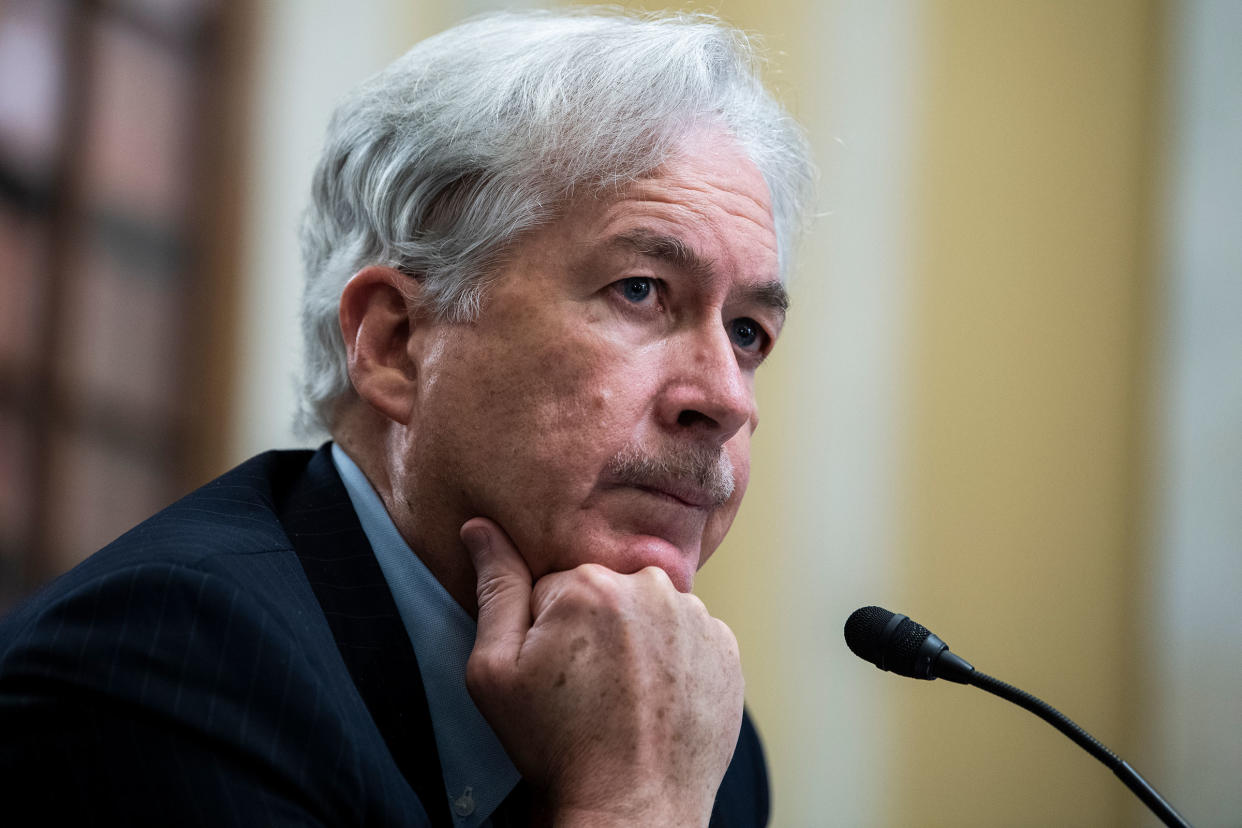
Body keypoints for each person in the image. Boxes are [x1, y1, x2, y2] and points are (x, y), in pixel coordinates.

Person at [0, 8, 813, 826]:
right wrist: (634, 806)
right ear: (396, 343)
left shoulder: (686, 726)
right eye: (639, 290)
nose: (725, 398)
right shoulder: (165, 663)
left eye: (747, 333)